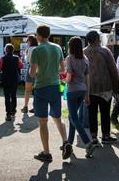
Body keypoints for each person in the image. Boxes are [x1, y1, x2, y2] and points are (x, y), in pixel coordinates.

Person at [29, 25, 72, 162]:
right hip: (55, 86)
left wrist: (40, 72)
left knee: (43, 121)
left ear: (39, 35)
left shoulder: (36, 50)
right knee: (57, 117)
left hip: (41, 87)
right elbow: (62, 69)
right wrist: (52, 71)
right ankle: (65, 141)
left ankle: (47, 152)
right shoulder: (57, 48)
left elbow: (32, 73)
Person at [84, 30, 119, 144]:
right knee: (105, 112)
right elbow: (113, 70)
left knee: (92, 113)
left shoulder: (83, 52)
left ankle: (93, 136)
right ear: (97, 38)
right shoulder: (105, 51)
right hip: (105, 86)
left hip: (89, 87)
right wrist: (117, 87)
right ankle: (106, 135)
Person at [65, 36, 96, 159]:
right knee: (73, 116)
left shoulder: (69, 58)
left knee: (74, 117)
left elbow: (69, 76)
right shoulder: (85, 59)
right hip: (83, 90)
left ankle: (88, 143)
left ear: (70, 47)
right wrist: (87, 95)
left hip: (72, 90)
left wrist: (62, 79)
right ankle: (69, 142)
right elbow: (88, 78)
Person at [0, 44, 24, 121]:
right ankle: (13, 110)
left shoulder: (2, 58)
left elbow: (0, 68)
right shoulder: (16, 58)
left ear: (5, 50)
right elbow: (21, 66)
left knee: (7, 96)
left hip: (6, 79)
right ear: (13, 50)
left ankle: (8, 113)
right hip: (14, 79)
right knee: (13, 95)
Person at [21, 35, 38, 114]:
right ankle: (35, 106)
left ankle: (25, 106)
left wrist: (25, 54)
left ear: (30, 41)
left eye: (27, 41)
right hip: (39, 70)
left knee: (27, 90)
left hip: (31, 68)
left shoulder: (29, 49)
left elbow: (27, 60)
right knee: (36, 90)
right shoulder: (39, 48)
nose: (27, 42)